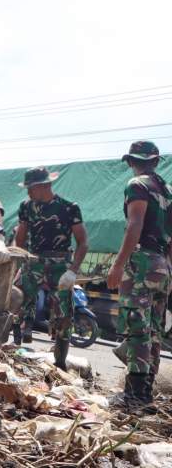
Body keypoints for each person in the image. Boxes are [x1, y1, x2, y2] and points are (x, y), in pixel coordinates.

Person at [106, 141, 171, 410]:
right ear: (155, 161)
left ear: (131, 161)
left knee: (136, 328)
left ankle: (135, 395)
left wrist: (119, 265)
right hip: (162, 266)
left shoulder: (137, 185)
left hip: (141, 262)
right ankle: (146, 393)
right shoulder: (167, 192)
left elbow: (135, 224)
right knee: (153, 330)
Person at [15, 166, 88, 369]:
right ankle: (17, 344)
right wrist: (16, 262)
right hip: (34, 260)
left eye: (31, 188)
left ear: (44, 185)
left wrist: (73, 270)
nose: (28, 192)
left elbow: (83, 243)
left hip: (60, 265)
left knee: (64, 315)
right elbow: (19, 238)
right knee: (15, 299)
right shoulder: (26, 207)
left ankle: (60, 363)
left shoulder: (69, 207)